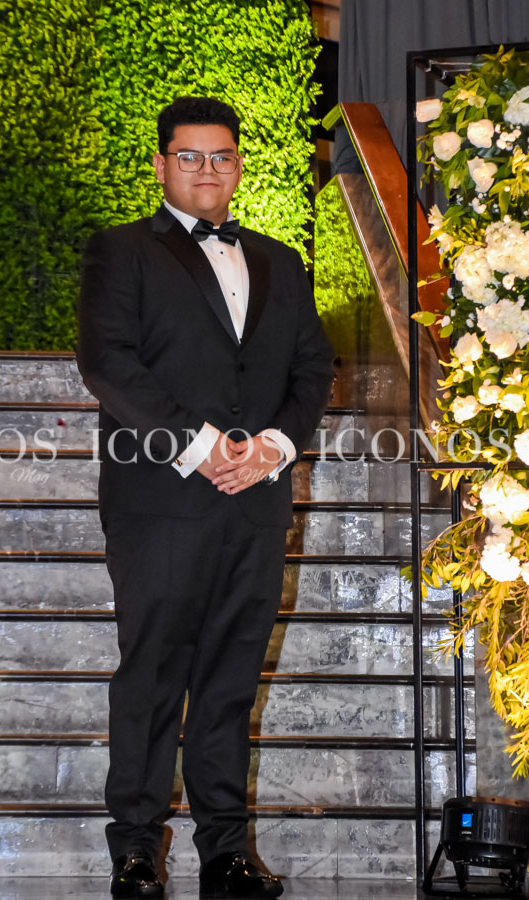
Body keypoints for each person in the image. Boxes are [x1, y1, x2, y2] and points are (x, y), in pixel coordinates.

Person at [77, 96, 334, 900]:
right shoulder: (122, 251)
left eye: (221, 155)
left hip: (254, 499)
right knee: (152, 675)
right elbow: (108, 362)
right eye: (189, 156)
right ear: (161, 164)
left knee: (229, 681)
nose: (206, 169)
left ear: (239, 165)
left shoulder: (281, 261)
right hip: (159, 497)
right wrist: (199, 445)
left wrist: (273, 448)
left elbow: (312, 370)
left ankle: (226, 852)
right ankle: (136, 850)